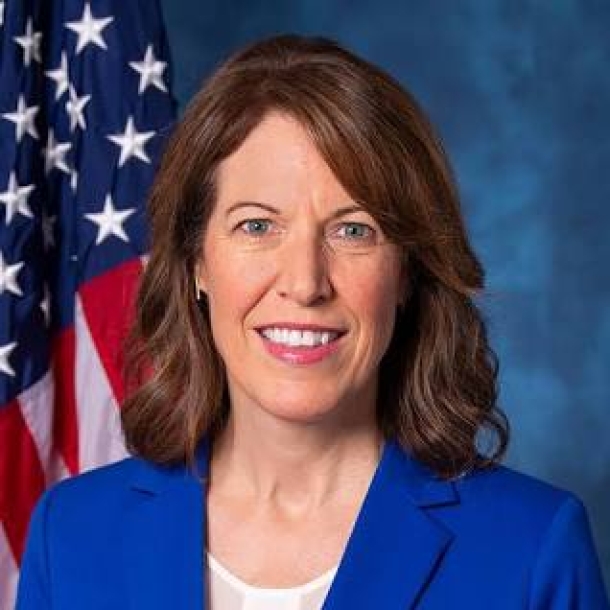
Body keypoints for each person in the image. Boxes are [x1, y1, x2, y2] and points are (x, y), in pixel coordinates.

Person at [17, 34, 609, 610]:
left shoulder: (531, 550)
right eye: (257, 225)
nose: (303, 283)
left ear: (406, 272)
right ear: (197, 261)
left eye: (353, 230)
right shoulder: (71, 537)